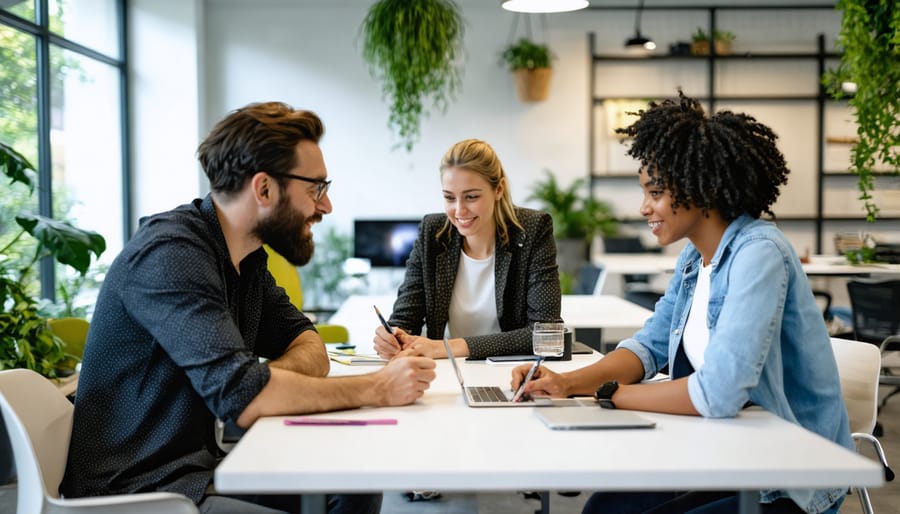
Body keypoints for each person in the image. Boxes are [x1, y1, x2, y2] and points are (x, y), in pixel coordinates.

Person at [60, 102, 437, 514]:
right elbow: (244, 400)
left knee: (354, 481)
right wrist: (377, 388)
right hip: (139, 491)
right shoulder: (171, 255)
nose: (326, 206)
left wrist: (258, 382)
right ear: (264, 189)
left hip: (201, 469)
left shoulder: (246, 258)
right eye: (316, 188)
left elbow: (307, 343)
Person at [512, 92, 851, 514]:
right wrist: (566, 384)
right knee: (606, 508)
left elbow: (718, 394)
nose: (643, 208)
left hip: (788, 479)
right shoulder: (695, 257)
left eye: (655, 192)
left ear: (701, 190)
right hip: (729, 453)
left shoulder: (759, 254)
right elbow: (649, 347)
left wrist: (611, 394)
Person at [373, 138, 562, 361]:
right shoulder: (432, 233)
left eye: (471, 197)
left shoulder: (531, 229)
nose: (460, 210)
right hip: (449, 373)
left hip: (512, 371)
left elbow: (547, 333)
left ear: (498, 189)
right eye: (449, 198)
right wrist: (393, 335)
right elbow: (405, 317)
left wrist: (446, 348)